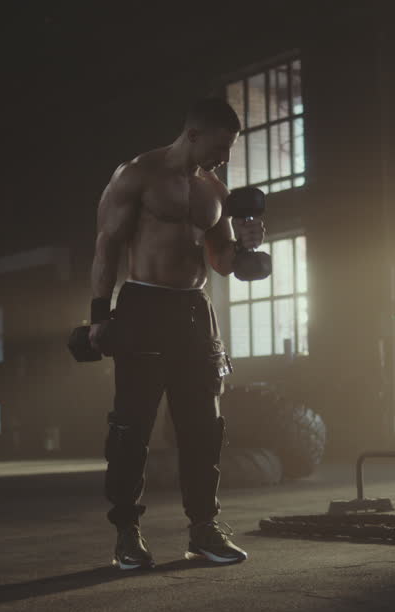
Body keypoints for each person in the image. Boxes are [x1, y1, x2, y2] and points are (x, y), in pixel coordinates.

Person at [89, 97, 265, 570]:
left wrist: (248, 248)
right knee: (132, 430)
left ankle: (203, 530)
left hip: (195, 311)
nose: (225, 158)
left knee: (204, 429)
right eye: (221, 146)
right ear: (193, 134)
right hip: (144, 305)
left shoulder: (214, 191)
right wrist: (99, 315)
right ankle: (127, 533)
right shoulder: (137, 175)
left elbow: (223, 263)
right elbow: (106, 246)